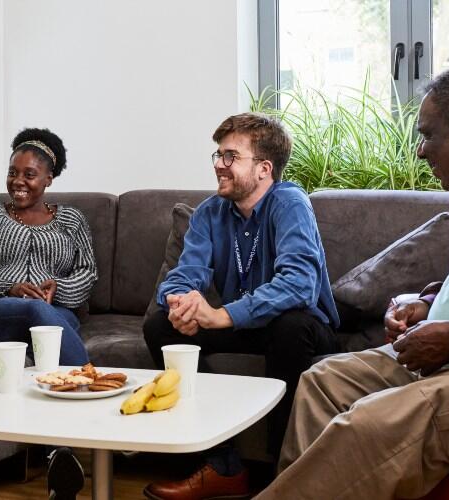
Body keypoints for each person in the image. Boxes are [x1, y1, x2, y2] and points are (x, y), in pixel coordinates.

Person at [259, 66, 449, 500]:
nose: (420, 151)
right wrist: (428, 302)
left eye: (427, 135)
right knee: (320, 381)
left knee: (363, 425)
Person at [142, 113, 341, 499]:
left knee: (290, 326)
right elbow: (186, 273)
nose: (219, 164)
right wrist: (181, 303)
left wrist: (222, 314)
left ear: (264, 168)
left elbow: (299, 284)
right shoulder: (209, 213)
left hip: (303, 329)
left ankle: (279, 478)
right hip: (245, 326)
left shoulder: (290, 204)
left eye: (231, 156)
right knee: (160, 327)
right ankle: (223, 466)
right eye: (218, 155)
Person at [0, 128, 96, 366]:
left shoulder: (71, 219)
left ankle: (53, 390)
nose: (17, 181)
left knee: (51, 323)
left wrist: (58, 288)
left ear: (48, 179)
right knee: (39, 313)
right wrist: (9, 288)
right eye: (12, 173)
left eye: (29, 174)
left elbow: (87, 272)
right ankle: (87, 381)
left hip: (54, 310)